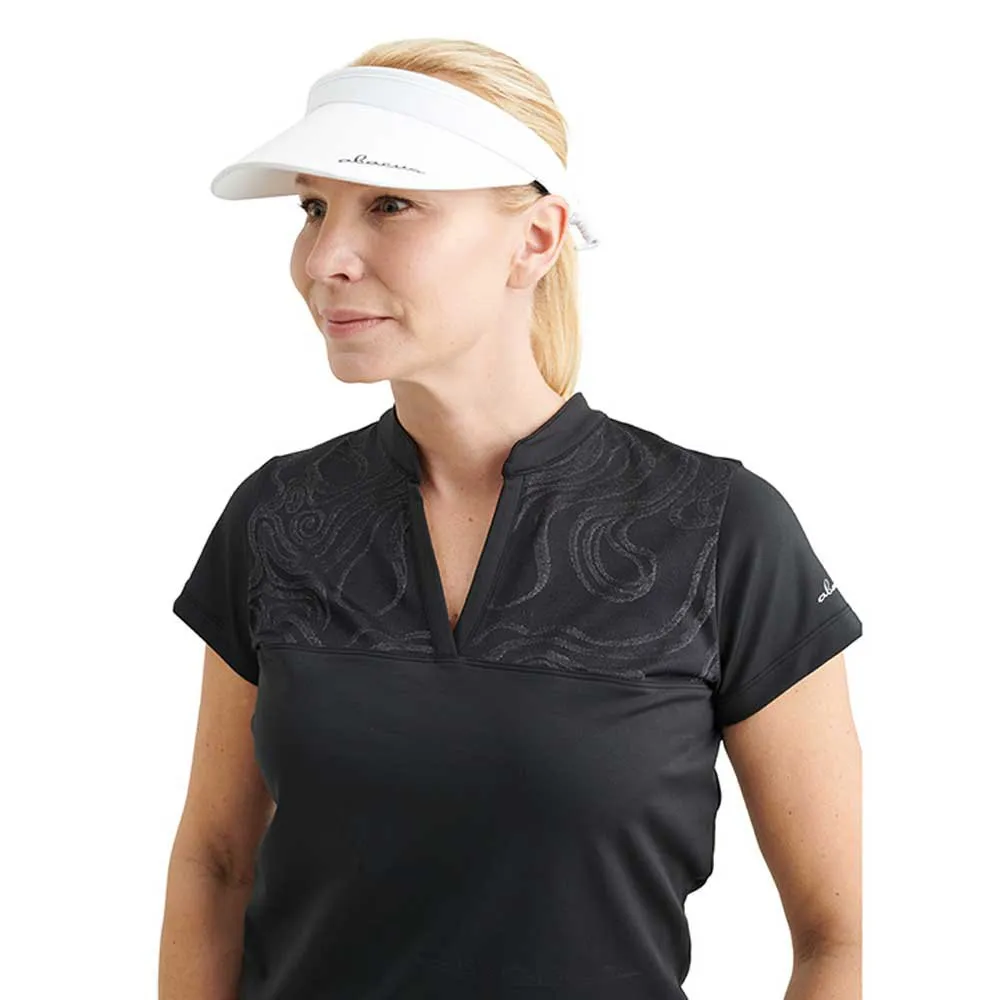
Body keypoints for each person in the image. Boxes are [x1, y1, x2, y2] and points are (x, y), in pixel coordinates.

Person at [159, 37, 863, 1000]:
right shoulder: (282, 517)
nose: (324, 259)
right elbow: (213, 863)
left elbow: (835, 938)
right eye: (313, 208)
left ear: (534, 239)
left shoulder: (718, 531)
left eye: (390, 204)